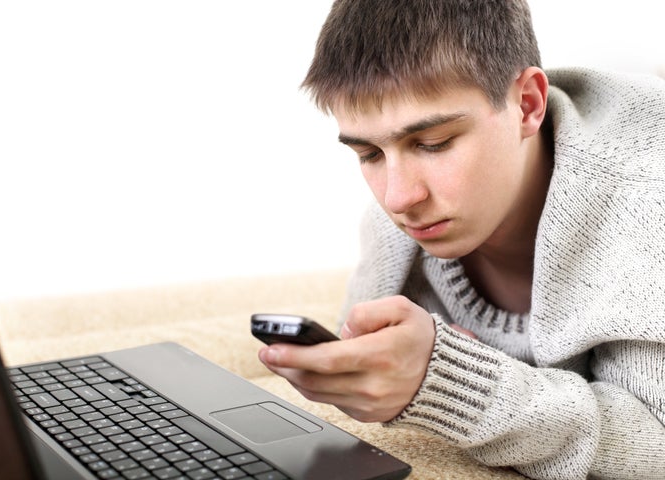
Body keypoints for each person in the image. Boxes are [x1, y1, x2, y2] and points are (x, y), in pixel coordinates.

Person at [256, 1, 665, 479]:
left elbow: (655, 444)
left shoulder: (647, 201)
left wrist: (452, 381)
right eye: (368, 153)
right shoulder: (394, 221)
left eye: (432, 144)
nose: (399, 196)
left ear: (527, 104)